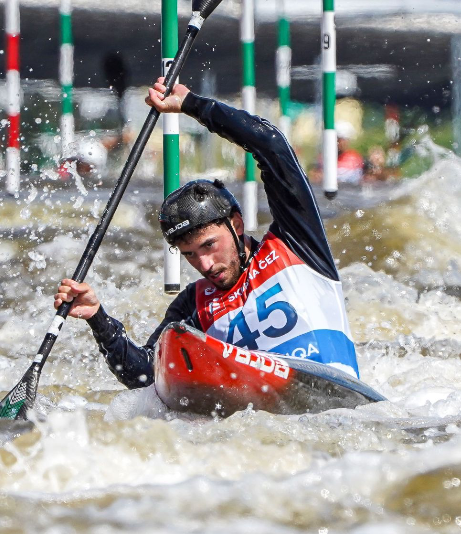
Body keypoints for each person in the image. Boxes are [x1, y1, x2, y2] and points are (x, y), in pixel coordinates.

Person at [53, 77, 361, 387]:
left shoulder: (297, 244)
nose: (205, 265)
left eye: (209, 245)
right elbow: (147, 375)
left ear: (236, 225)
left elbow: (272, 147)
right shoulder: (194, 305)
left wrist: (192, 105)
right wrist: (97, 318)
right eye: (189, 255)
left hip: (341, 402)